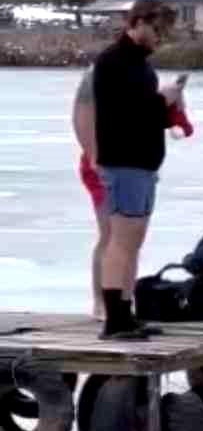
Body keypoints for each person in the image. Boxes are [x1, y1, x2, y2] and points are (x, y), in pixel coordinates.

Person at [92, 0, 186, 340]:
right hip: (124, 162)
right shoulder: (114, 62)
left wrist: (169, 106)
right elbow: (127, 113)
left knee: (133, 242)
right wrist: (163, 99)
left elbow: (148, 116)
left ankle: (125, 312)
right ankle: (114, 318)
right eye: (158, 29)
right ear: (139, 22)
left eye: (165, 32)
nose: (161, 37)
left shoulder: (141, 67)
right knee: (121, 240)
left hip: (142, 164)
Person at [71, 67, 110, 318]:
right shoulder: (96, 74)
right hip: (101, 166)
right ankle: (99, 301)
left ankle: (119, 299)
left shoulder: (136, 70)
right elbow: (80, 118)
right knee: (109, 233)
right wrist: (95, 157)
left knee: (125, 239)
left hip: (128, 166)